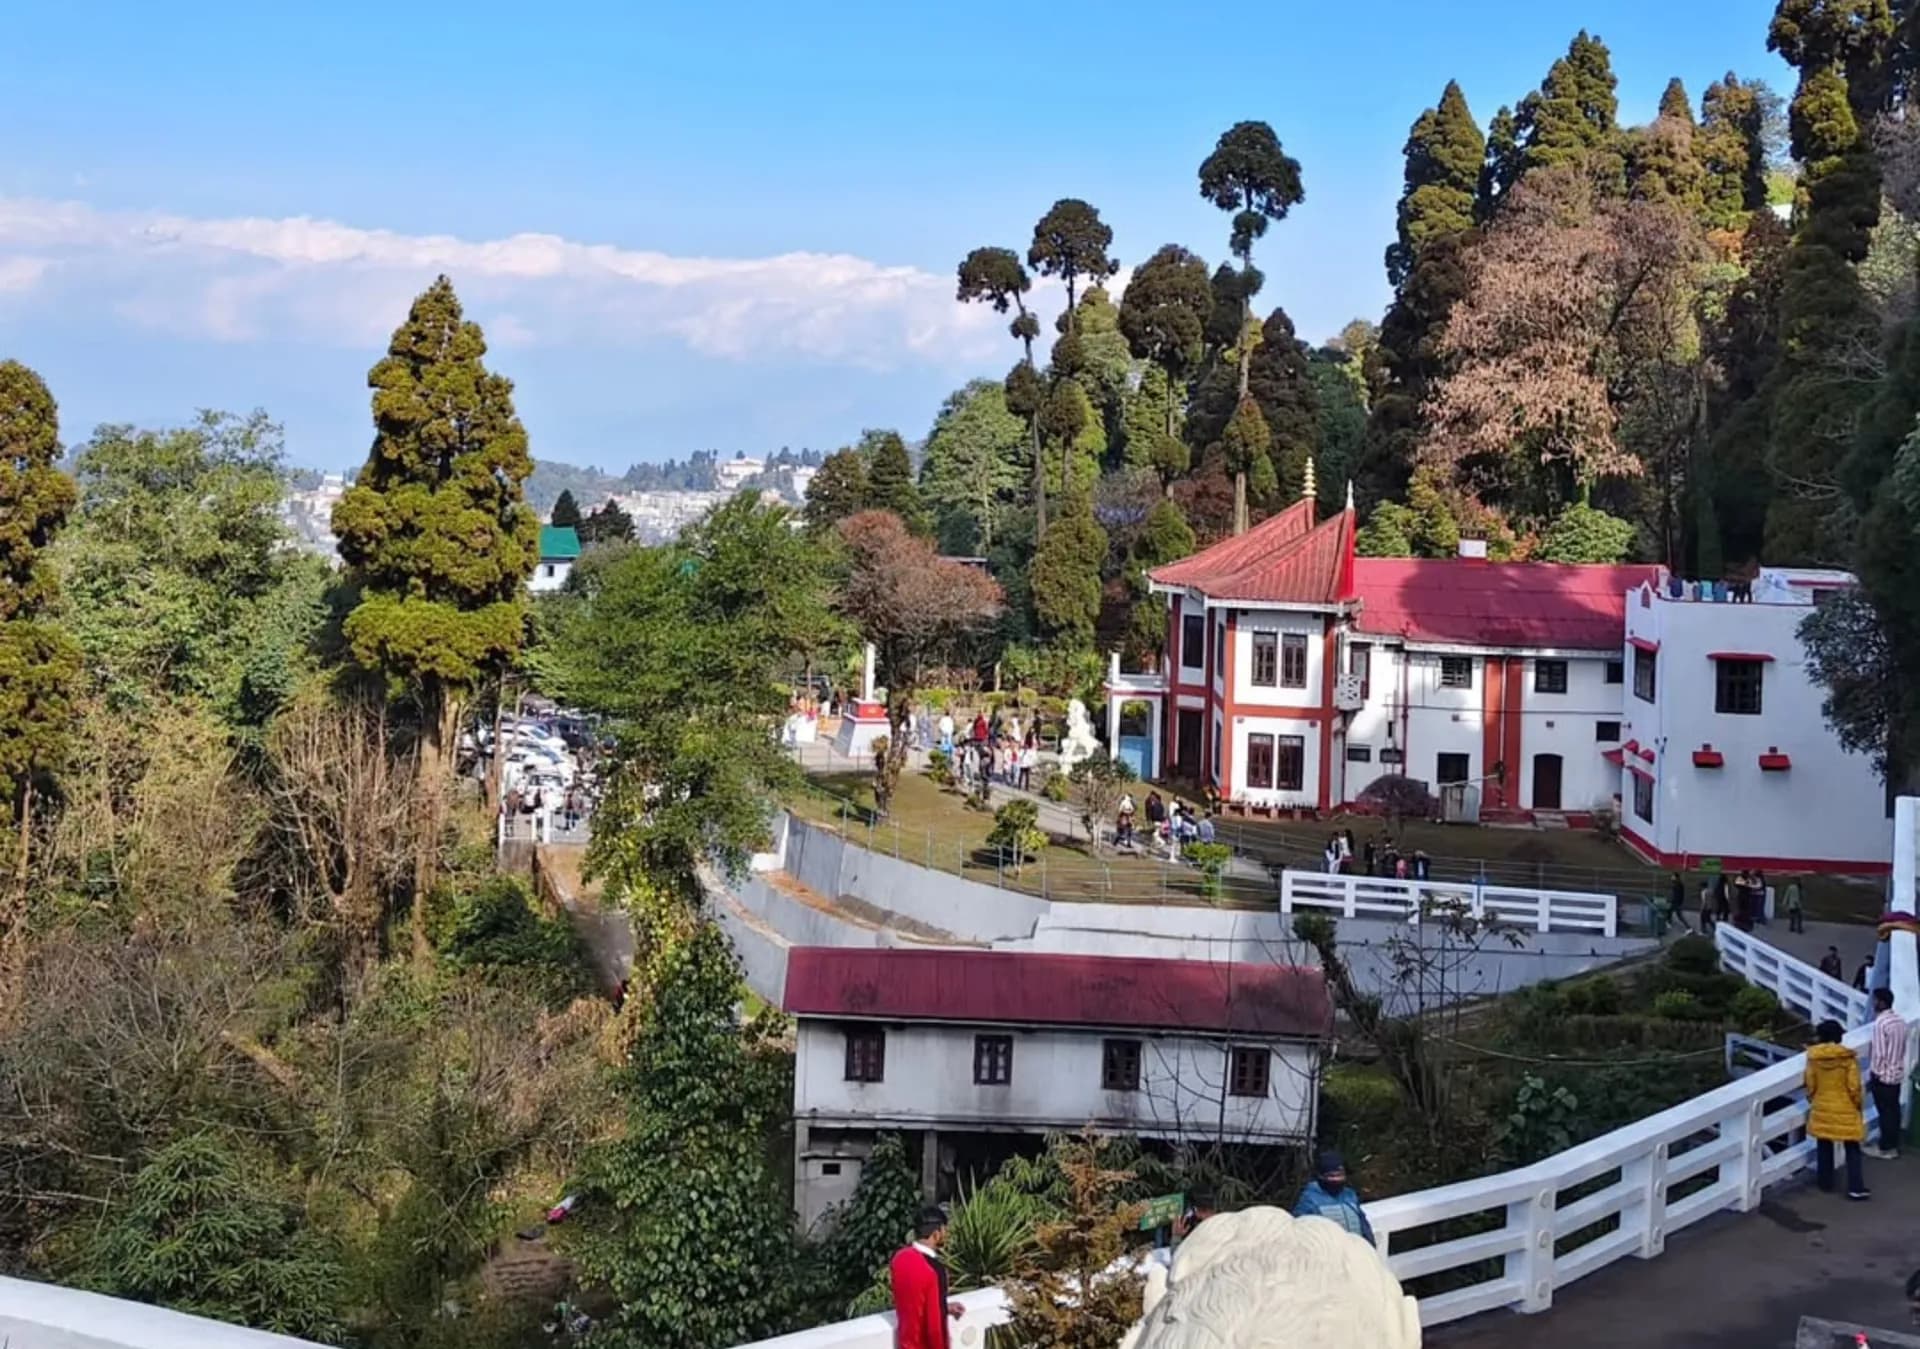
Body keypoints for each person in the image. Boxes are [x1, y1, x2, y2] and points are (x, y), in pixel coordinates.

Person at [1804, 1018, 1870, 1200]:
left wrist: (1814, 1099)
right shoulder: (1847, 1058)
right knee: (1852, 1146)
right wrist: (1858, 1104)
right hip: (1845, 1106)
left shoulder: (1813, 1058)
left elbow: (1810, 1084)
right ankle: (1855, 1187)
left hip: (1822, 1103)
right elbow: (1854, 1086)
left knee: (1824, 1144)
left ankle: (1825, 1183)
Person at [890, 1205, 964, 1349]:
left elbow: (914, 1301)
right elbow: (934, 1326)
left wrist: (943, 1306)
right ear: (936, 1234)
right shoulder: (934, 1270)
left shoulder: (899, 1258)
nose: (946, 1233)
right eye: (944, 1230)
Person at [1293, 1150, 1375, 1243]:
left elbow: (1363, 1224)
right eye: (1331, 1176)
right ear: (1320, 1176)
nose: (1337, 1179)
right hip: (1328, 1252)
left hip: (1354, 1250)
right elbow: (1300, 1231)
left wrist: (1370, 1245)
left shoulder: (1350, 1195)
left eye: (1340, 1175)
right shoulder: (1310, 1199)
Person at [1867, 987, 1908, 1160]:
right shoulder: (1900, 1021)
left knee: (1885, 1112)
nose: (1873, 1003)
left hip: (1883, 1076)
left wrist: (1875, 1073)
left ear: (1881, 1002)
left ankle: (1885, 1147)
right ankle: (1893, 1144)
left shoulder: (1880, 1023)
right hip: (1896, 1073)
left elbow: (1879, 1053)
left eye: (1875, 1000)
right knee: (1894, 1110)